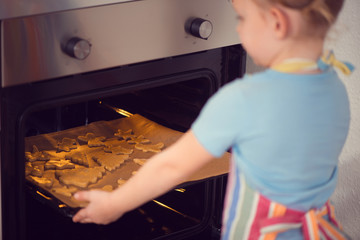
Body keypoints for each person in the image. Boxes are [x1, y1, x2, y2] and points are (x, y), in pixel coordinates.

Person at [73, 0, 354, 239]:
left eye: (242, 18)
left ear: (277, 23)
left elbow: (171, 166)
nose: (238, 28)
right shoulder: (334, 86)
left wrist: (115, 203)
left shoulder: (245, 99)